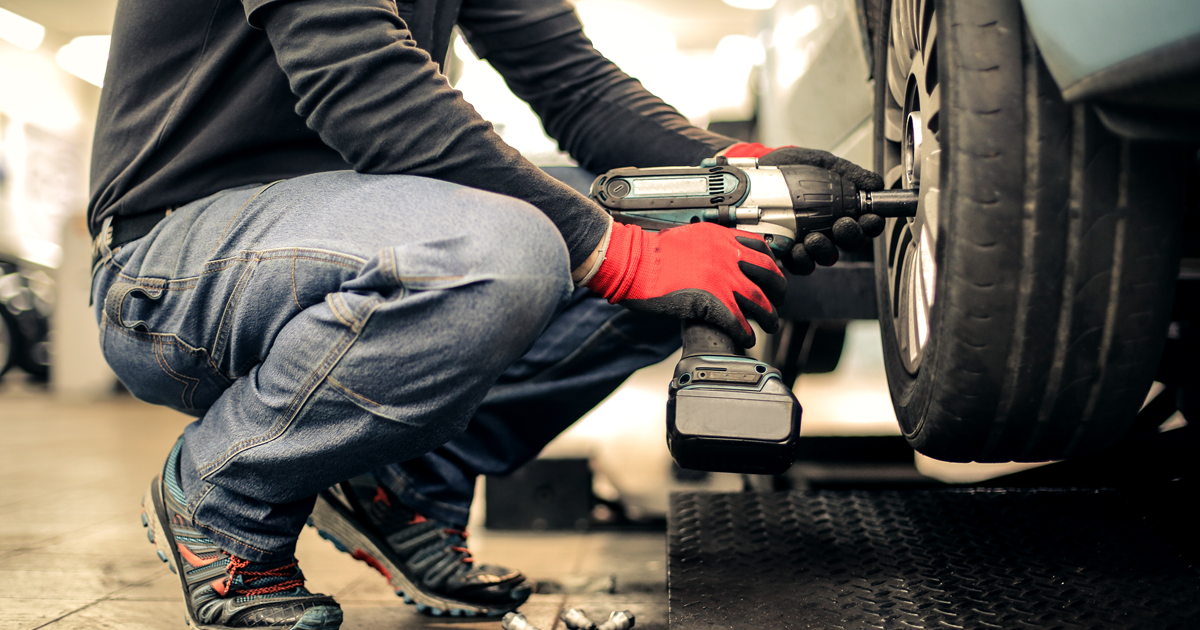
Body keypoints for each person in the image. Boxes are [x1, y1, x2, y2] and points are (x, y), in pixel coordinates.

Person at [88, 0, 882, 628]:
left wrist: (731, 177)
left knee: (687, 226)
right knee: (506, 249)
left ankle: (406, 481)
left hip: (351, 228)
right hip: (176, 263)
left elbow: (573, 83)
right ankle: (228, 494)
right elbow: (359, 81)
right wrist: (626, 256)